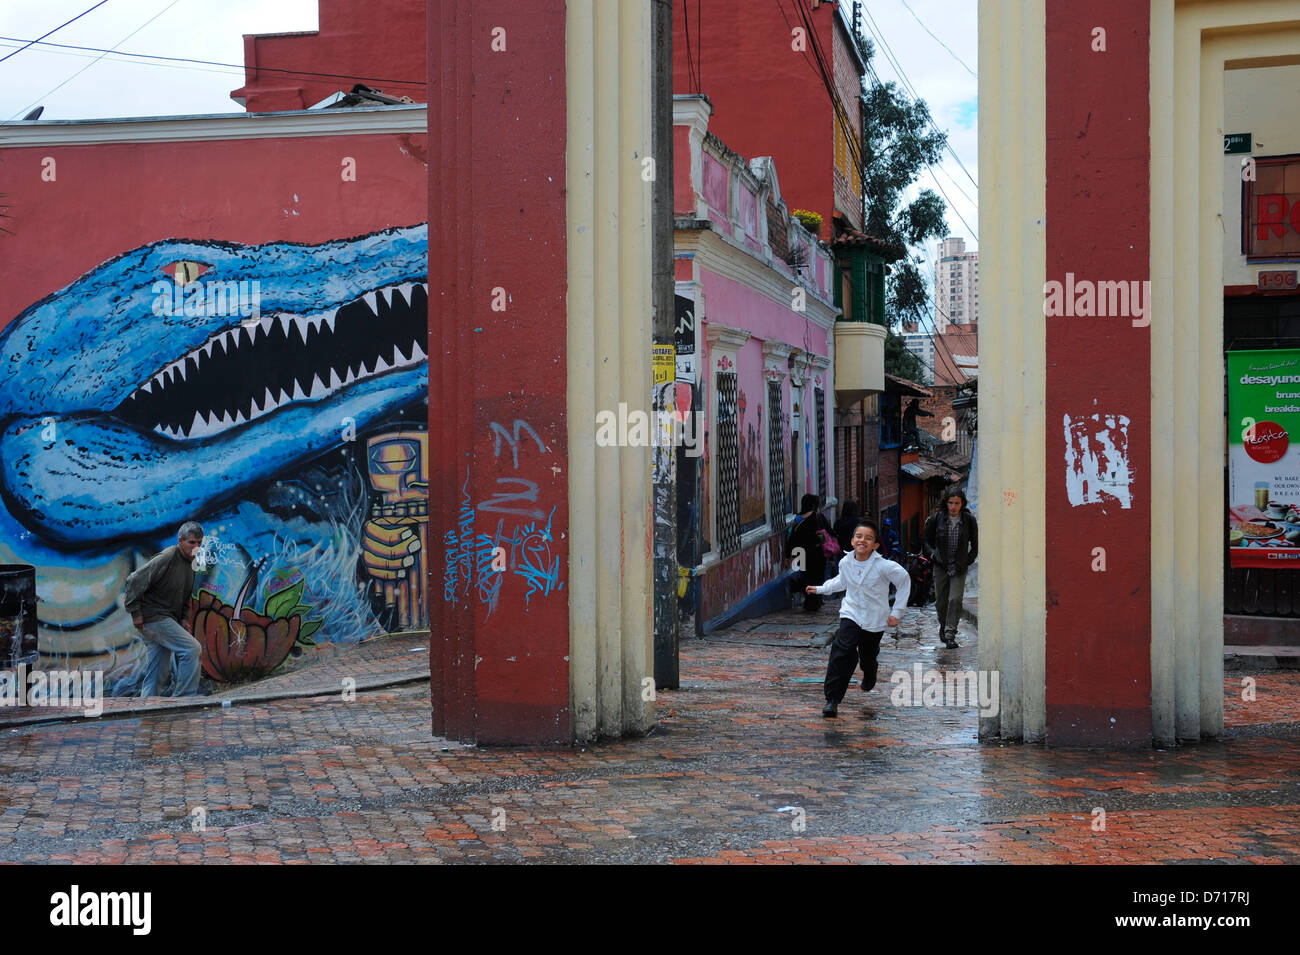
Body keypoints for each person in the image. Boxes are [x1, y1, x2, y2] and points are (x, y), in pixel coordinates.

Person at [807, 519, 910, 717]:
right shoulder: (846, 562)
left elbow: (904, 580)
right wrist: (820, 588)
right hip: (851, 613)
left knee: (868, 655)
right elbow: (841, 582)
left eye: (869, 538)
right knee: (842, 650)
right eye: (859, 536)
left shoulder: (884, 566)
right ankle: (832, 700)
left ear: (876, 545)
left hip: (874, 619)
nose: (863, 540)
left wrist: (897, 612)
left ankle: (870, 672)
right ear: (853, 540)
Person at [124, 521, 205, 697]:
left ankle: (147, 708)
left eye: (199, 542)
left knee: (157, 669)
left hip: (164, 618)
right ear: (180, 540)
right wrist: (135, 613)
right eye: (192, 542)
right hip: (154, 617)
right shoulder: (168, 556)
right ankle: (184, 699)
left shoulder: (192, 562)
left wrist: (183, 618)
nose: (196, 547)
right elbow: (134, 580)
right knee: (192, 649)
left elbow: (185, 593)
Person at [922, 487, 978, 649]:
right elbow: (925, 540)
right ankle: (943, 624)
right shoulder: (936, 519)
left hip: (959, 566)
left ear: (962, 504)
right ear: (946, 503)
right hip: (941, 565)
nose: (953, 506)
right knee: (941, 601)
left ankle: (950, 633)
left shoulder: (969, 521)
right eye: (950, 503)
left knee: (955, 599)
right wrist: (933, 555)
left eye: (957, 503)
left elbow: (975, 545)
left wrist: (967, 560)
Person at [785, 493, 833, 612]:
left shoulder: (798, 519)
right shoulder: (818, 517)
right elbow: (826, 533)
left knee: (807, 577)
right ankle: (813, 601)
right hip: (817, 554)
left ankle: (809, 600)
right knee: (817, 578)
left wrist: (790, 553)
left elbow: (794, 537)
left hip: (801, 554)